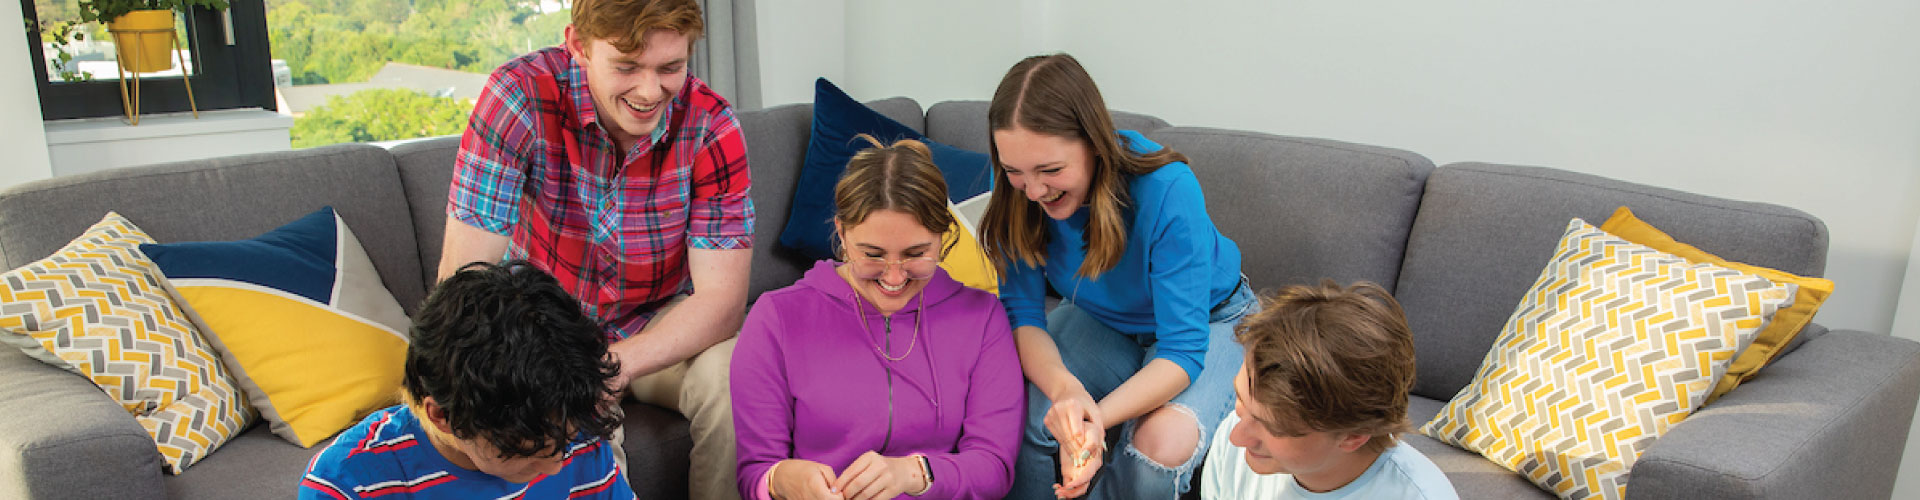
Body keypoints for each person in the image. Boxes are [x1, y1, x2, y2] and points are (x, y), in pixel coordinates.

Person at [439, 0, 752, 497]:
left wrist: (614, 366)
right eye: (627, 66)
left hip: (661, 323)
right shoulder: (518, 95)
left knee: (741, 380)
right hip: (549, 327)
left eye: (670, 67)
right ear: (578, 46)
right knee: (562, 424)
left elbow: (723, 301)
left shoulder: (713, 125)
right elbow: (466, 278)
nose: (651, 92)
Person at [981, 53, 1255, 500]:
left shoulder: (1168, 187)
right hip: (1105, 320)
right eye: (1015, 172)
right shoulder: (1018, 181)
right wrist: (1066, 390)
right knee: (1027, 412)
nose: (1032, 191)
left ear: (1093, 142)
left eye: (1050, 171)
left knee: (1158, 449)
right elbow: (1022, 314)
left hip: (1212, 321)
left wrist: (1093, 419)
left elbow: (1182, 349)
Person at [731, 136, 1025, 500]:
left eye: (916, 254)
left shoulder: (982, 318)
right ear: (841, 232)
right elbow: (754, 475)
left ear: (944, 237)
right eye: (872, 254)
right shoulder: (776, 317)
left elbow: (994, 467)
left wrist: (915, 473)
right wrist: (781, 480)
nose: (894, 277)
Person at [299, 261, 634, 499]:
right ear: (444, 417)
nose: (556, 467)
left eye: (563, 444)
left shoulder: (572, 429)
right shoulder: (347, 484)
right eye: (529, 452)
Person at [1202, 281, 1458, 499]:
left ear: (1353, 436)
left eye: (1273, 428)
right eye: (1241, 400)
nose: (1236, 437)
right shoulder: (1235, 448)